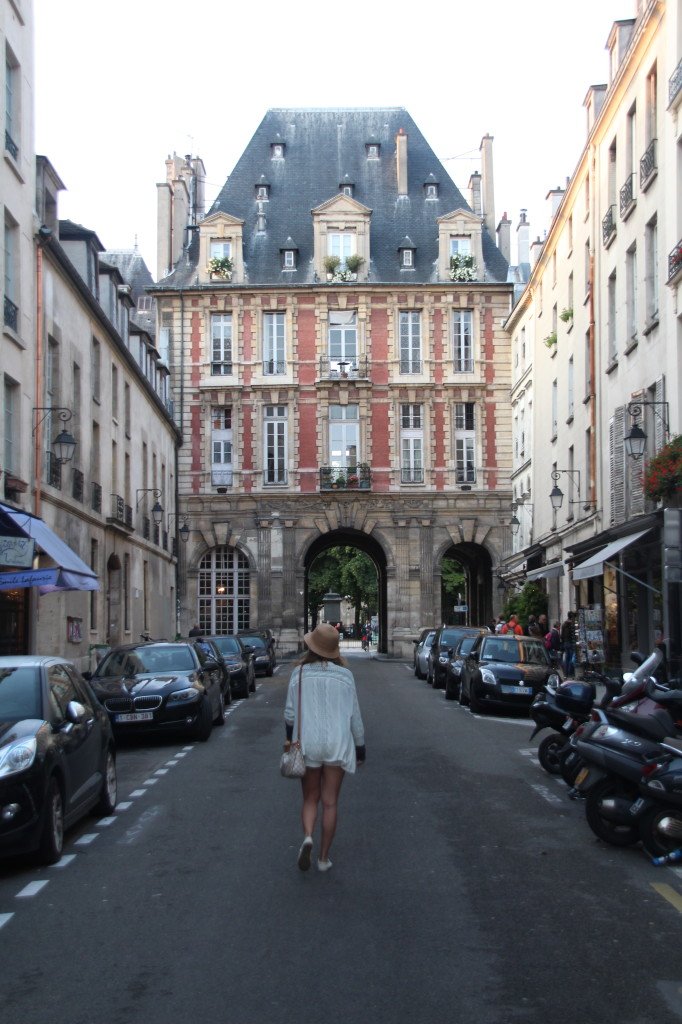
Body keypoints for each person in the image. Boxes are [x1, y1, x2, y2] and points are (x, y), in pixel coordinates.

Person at [284, 622, 365, 873]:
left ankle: (308, 836)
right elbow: (355, 718)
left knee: (310, 798)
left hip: (307, 743)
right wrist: (360, 748)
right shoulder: (346, 676)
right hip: (337, 743)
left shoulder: (298, 674)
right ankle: (323, 858)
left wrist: (290, 738)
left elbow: (289, 714)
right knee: (330, 802)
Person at [561, 611, 577, 677]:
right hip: (571, 642)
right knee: (571, 658)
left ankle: (566, 673)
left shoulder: (564, 624)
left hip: (565, 643)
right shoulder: (572, 624)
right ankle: (570, 673)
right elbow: (574, 634)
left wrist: (564, 641)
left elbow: (561, 635)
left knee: (567, 658)